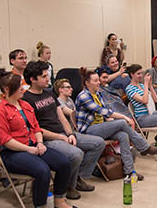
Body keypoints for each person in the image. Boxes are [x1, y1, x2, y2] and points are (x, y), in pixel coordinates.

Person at [0, 70, 78, 208]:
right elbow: (6, 140)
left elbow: (36, 128)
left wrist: (40, 143)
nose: (22, 88)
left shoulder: (25, 105)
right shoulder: (0, 111)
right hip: (12, 153)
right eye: (19, 85)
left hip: (34, 146)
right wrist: (29, 149)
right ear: (7, 89)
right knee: (42, 170)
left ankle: (59, 201)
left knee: (63, 163)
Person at [21, 63, 104, 198]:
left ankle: (77, 178)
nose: (48, 78)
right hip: (48, 139)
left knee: (99, 143)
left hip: (64, 133)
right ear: (32, 79)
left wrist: (70, 134)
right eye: (43, 76)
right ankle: (68, 186)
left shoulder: (50, 94)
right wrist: (61, 138)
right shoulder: (26, 100)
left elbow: (62, 118)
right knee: (76, 154)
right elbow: (36, 129)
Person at [75, 68, 157, 180]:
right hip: (89, 130)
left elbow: (105, 116)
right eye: (96, 81)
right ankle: (144, 147)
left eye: (98, 80)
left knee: (123, 135)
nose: (99, 83)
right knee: (121, 122)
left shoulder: (98, 94)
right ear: (87, 83)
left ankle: (129, 171)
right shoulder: (83, 96)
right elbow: (103, 111)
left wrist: (113, 123)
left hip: (100, 127)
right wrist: (124, 117)